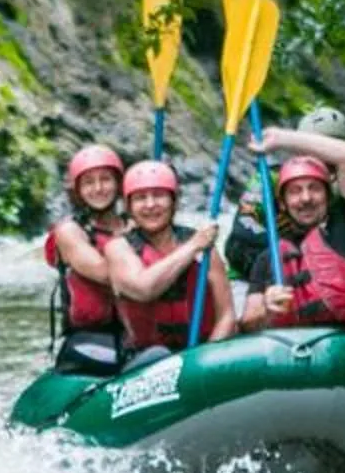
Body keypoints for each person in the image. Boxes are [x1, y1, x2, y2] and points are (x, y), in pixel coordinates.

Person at [226, 117, 345, 337]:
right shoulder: (269, 257)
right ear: (284, 204)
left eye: (314, 188)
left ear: (328, 194)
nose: (305, 198)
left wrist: (280, 138)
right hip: (291, 349)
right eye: (295, 191)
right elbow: (248, 323)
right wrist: (266, 309)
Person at [103, 159, 233, 356]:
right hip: (145, 362)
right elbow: (144, 289)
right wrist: (192, 247)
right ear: (129, 206)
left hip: (202, 356)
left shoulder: (204, 247)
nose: (150, 204)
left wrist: (206, 359)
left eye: (159, 195)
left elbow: (227, 316)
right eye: (140, 198)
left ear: (174, 201)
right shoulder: (118, 248)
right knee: (157, 355)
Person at [42, 144, 128, 374]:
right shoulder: (70, 232)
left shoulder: (135, 223)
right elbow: (107, 274)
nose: (98, 188)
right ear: (77, 190)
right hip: (91, 339)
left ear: (118, 184)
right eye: (89, 182)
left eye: (105, 179)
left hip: (135, 331)